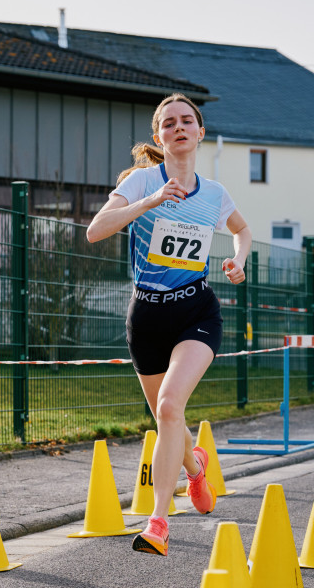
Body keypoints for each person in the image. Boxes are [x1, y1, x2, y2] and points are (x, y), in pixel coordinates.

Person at [86, 93, 252, 557]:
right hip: (147, 317)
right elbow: (95, 230)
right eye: (169, 123)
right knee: (167, 417)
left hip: (196, 310)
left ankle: (157, 521)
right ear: (159, 137)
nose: (179, 127)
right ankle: (195, 469)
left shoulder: (215, 193)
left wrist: (238, 259)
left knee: (170, 404)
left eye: (187, 121)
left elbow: (242, 230)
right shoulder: (142, 181)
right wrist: (151, 200)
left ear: (200, 132)